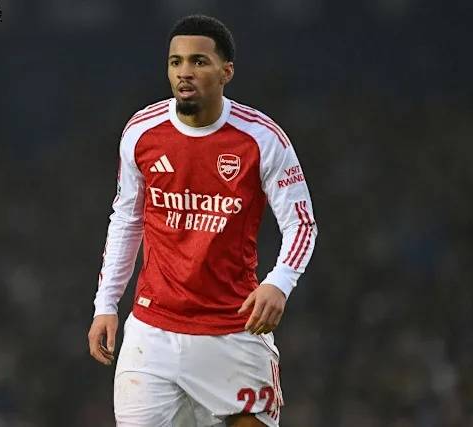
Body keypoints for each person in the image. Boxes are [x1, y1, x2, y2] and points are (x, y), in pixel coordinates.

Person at [87, 14, 318, 427]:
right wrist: (106, 304)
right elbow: (126, 220)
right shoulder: (142, 132)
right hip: (152, 334)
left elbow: (301, 223)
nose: (184, 72)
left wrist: (280, 282)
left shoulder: (262, 138)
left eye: (198, 61)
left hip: (234, 329)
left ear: (226, 71)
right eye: (175, 62)